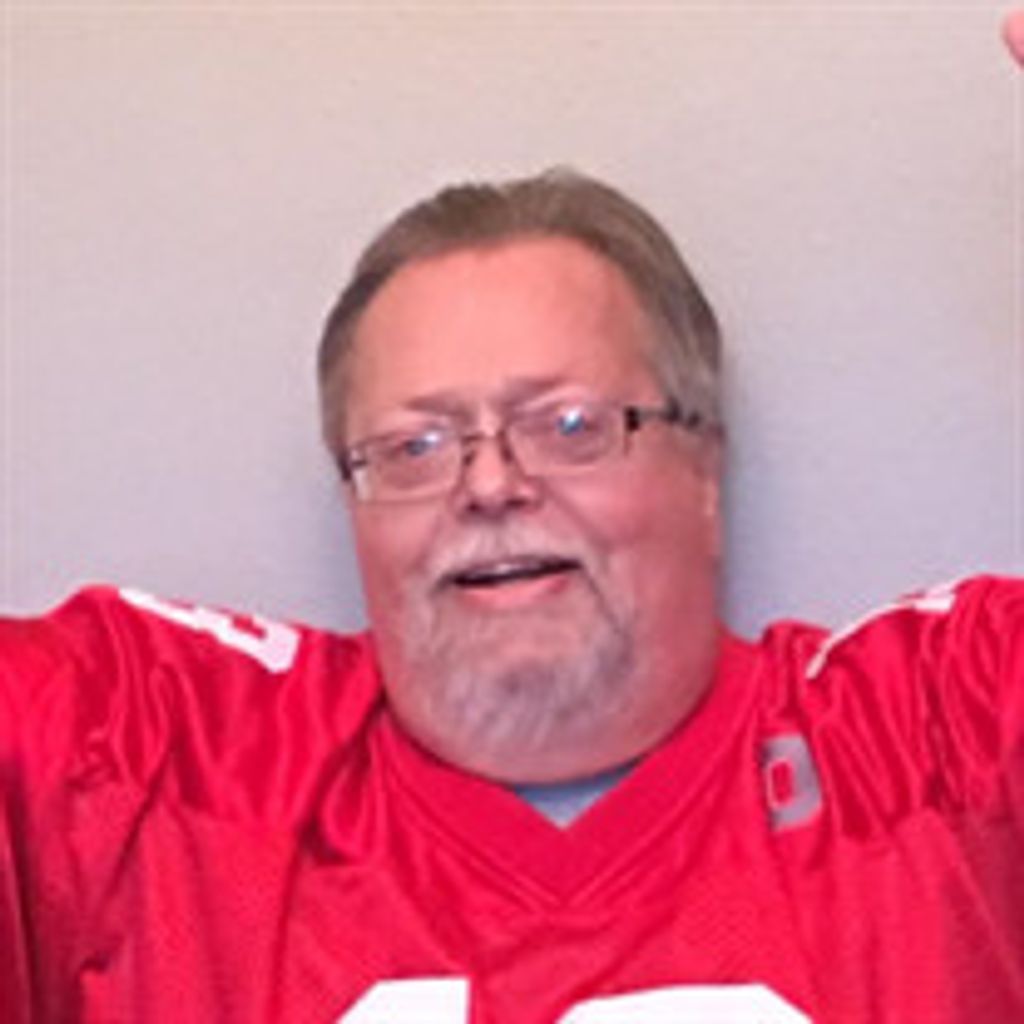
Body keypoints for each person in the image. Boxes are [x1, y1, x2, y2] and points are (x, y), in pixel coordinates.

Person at [2, 18, 1023, 1024]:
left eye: (569, 426)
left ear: (704, 467)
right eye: (415, 446)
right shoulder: (150, 757)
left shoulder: (941, 737)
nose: (488, 484)